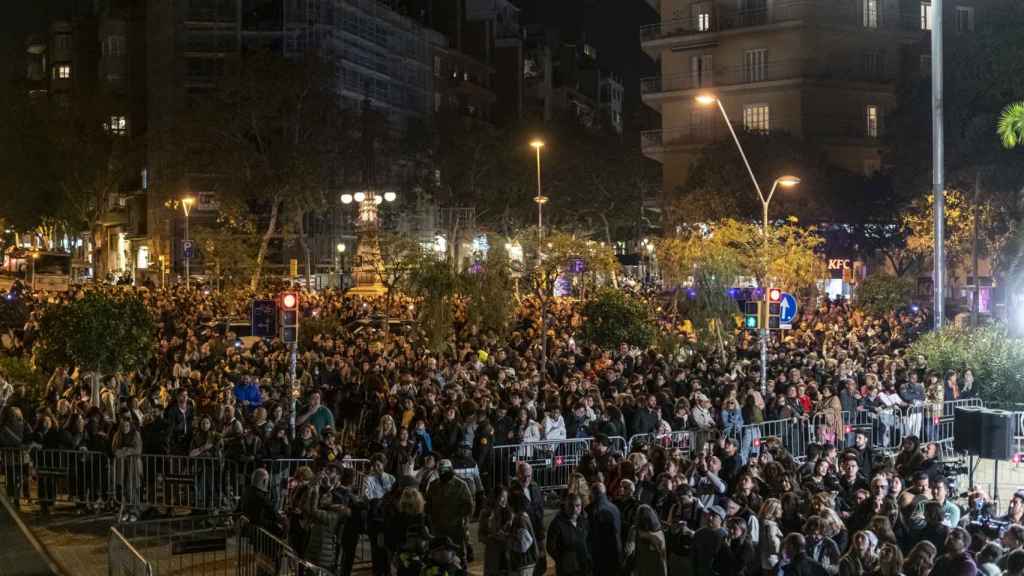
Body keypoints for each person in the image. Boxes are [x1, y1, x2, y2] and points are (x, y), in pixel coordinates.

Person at [426, 459, 474, 563]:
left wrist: (463, 521)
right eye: (440, 470)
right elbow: (428, 505)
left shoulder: (461, 485)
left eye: (445, 470)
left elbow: (469, 506)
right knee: (439, 557)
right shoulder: (433, 485)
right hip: (438, 528)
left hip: (456, 528)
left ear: (451, 469)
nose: (443, 472)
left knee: (459, 557)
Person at [547, 493, 591, 576]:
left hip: (583, 566)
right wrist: (562, 560)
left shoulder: (583, 521)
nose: (574, 509)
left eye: (577, 506)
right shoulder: (557, 524)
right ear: (565, 506)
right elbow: (550, 547)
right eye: (571, 506)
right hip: (567, 570)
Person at [586, 482, 622, 576]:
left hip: (599, 555)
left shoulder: (591, 510)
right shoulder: (614, 508)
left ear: (592, 494)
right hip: (615, 551)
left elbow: (589, 534)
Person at [759, 498, 784, 575]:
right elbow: (774, 544)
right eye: (779, 509)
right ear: (773, 510)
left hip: (764, 560)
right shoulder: (771, 526)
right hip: (773, 561)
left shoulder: (762, 523)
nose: (782, 511)